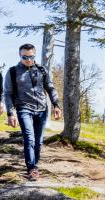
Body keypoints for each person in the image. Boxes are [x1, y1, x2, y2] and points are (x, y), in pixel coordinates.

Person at [4, 43, 62, 181]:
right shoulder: (12, 72)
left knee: (39, 141)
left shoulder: (42, 69)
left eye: (31, 56)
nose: (28, 59)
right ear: (20, 55)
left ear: (34, 55)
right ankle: (32, 169)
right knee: (29, 139)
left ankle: (35, 164)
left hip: (42, 109)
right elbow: (7, 93)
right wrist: (10, 113)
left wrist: (56, 105)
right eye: (24, 57)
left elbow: (51, 88)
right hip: (24, 109)